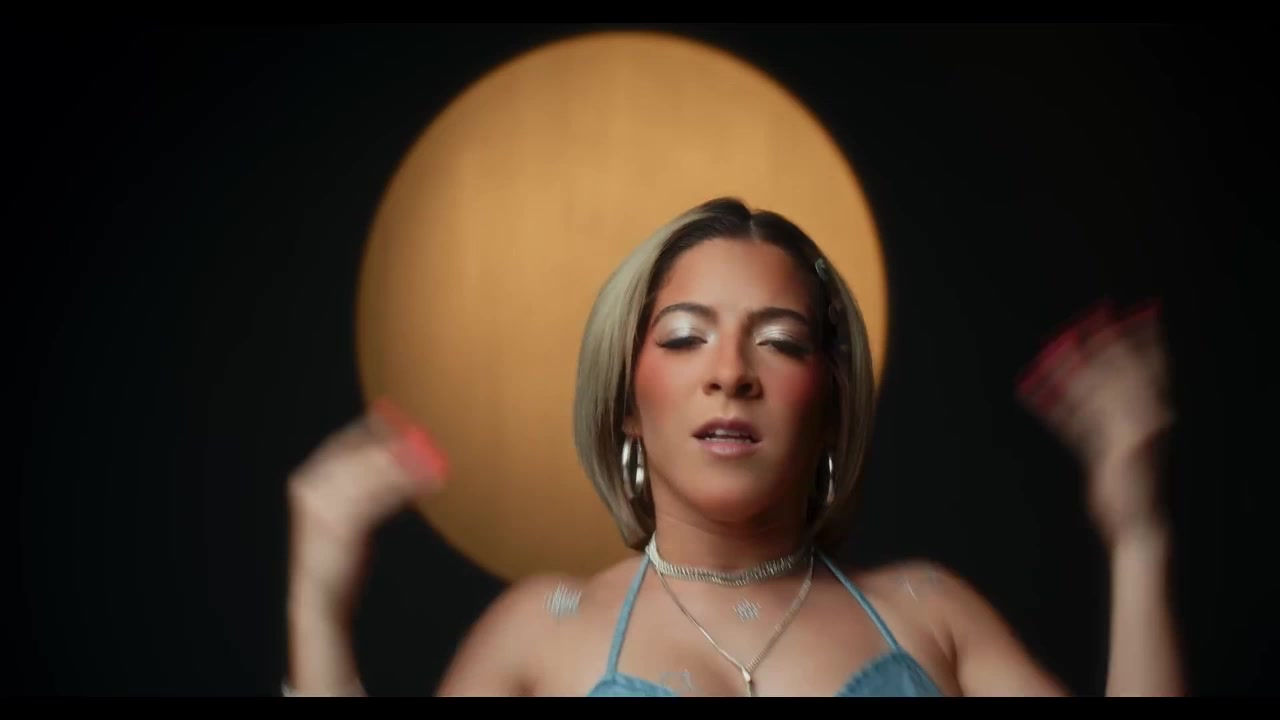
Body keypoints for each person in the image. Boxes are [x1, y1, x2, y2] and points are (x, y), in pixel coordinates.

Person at [283, 197, 1184, 697]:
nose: (730, 373)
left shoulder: (931, 615)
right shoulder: (539, 633)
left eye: (781, 342)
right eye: (684, 337)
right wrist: (318, 605)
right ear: (626, 403)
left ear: (831, 404)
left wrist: (1138, 537)